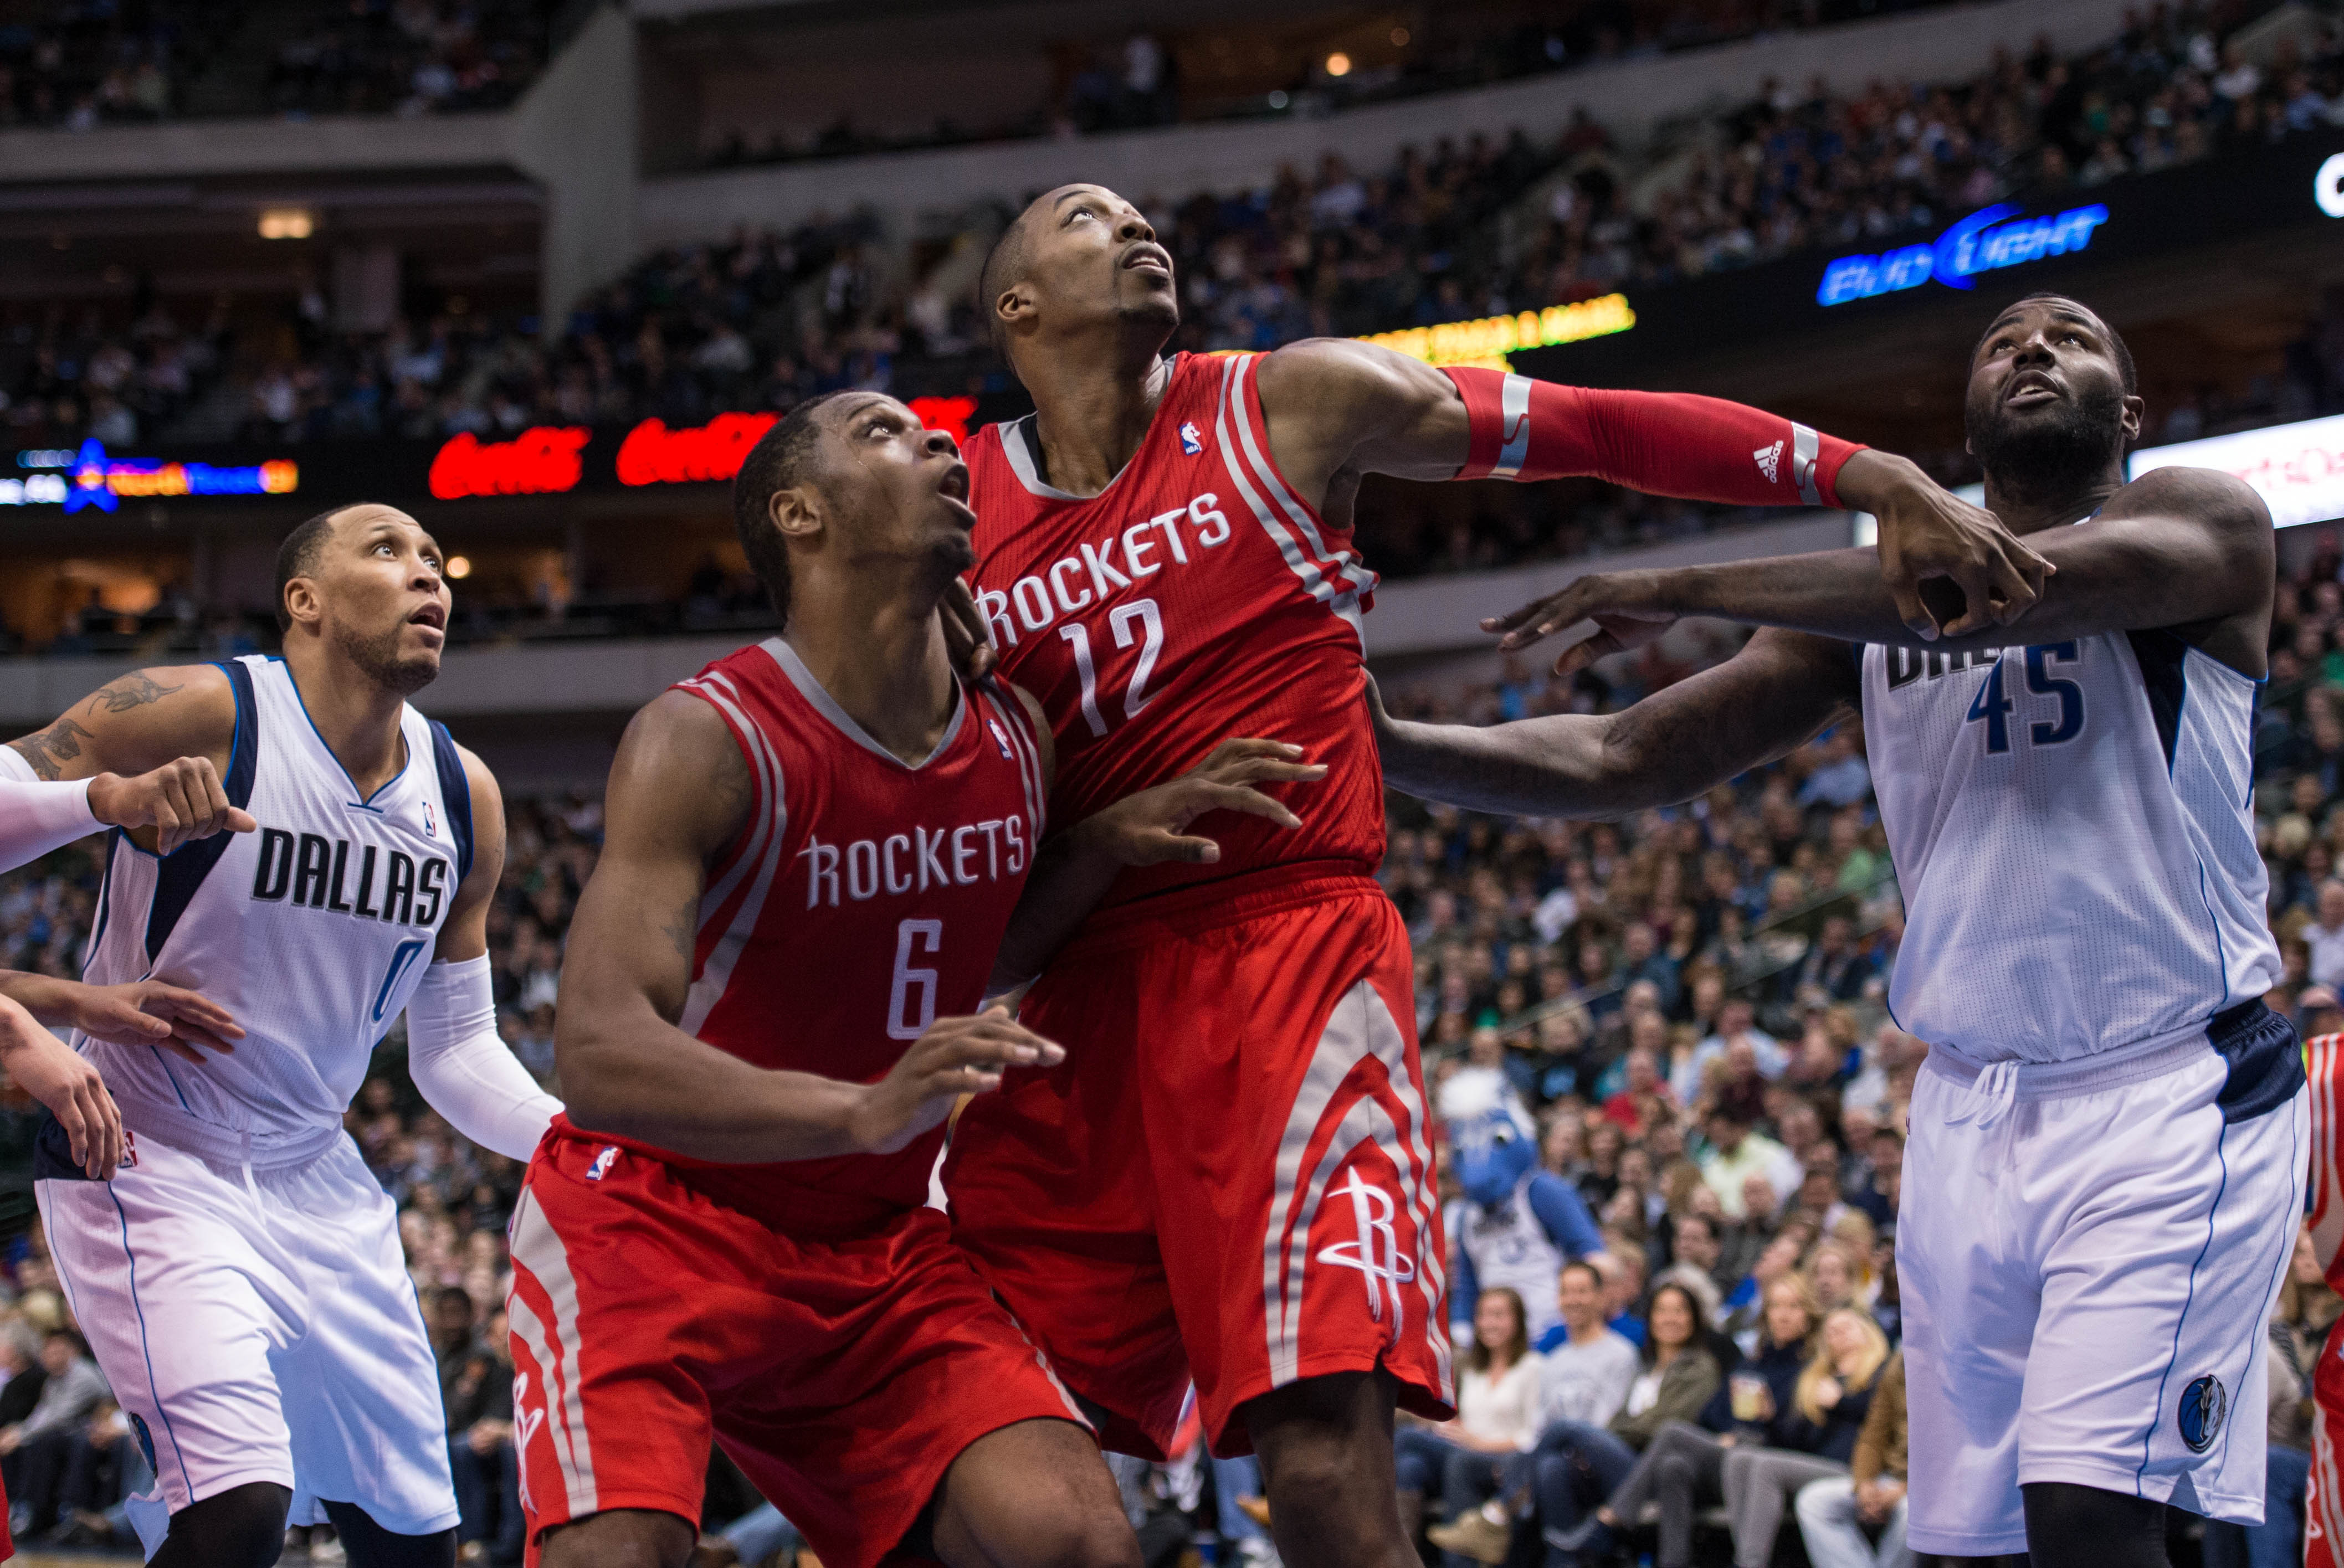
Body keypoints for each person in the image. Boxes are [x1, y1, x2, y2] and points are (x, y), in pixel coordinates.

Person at [943, 181, 2012, 1568]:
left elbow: (1599, 424)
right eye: (1089, 218)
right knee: (997, 1472)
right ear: (1015, 306)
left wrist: (1872, 477)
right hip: (1067, 1002)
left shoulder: (1289, 404)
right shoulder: (948, 509)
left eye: (1144, 214)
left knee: (1322, 1464)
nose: (1139, 227)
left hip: (1286, 972)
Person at [1372, 291, 2311, 1567]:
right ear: (1964, 423)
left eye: (2073, 338)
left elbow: (1992, 591)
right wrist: (1386, 751)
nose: (2035, 350)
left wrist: (1684, 580)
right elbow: (1622, 752)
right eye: (2004, 344)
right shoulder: (1864, 614)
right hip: (1967, 1110)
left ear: (2129, 413)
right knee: (1964, 1545)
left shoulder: (2201, 523)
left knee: (2091, 1520)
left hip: (2167, 1089)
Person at [516, 392, 1315, 1568]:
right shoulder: (707, 735)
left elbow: (963, 954)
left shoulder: (1013, 736)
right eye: (884, 432)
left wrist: (1097, 844)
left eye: (937, 433)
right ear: (799, 512)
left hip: (877, 1247)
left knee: (1080, 1540)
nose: (943, 442)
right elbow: (595, 1054)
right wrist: (860, 1106)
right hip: (655, 1220)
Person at [17, 502, 563, 1567]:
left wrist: (574, 1137)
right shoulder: (202, 709)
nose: (429, 578)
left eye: (434, 562)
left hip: (319, 1172)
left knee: (416, 1545)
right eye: (388, 552)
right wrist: (101, 797)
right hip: (145, 1148)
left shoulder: (465, 797)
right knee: (240, 1508)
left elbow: (453, 1054)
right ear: (303, 601)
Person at [1715, 1307, 1892, 1568]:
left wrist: (1841, 1402)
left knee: (1766, 1467)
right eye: (1831, 1331)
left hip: (1857, 1469)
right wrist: (1770, 1417)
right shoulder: (1815, 1378)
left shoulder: (1883, 1371)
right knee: (1740, 1458)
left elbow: (1886, 1420)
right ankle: (1746, 1555)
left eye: (1847, 1327)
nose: (1839, 1334)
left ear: (1869, 1332)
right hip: (1816, 1464)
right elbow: (1796, 1442)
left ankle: (1749, 1563)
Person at [1396, 1287, 1541, 1564]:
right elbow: (1465, 1420)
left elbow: (1531, 1436)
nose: (1488, 1323)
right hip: (1463, 1450)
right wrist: (1451, 1428)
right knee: (1410, 1465)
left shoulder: (1532, 1367)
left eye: (1498, 1315)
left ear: (1518, 1321)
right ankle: (1407, 1558)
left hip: (1505, 1459)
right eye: (1483, 1316)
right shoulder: (1473, 1370)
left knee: (1409, 1439)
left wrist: (1476, 1442)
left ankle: (1390, 1552)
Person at [1795, 1352, 1915, 1568]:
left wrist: (1905, 1489)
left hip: (1929, 1489)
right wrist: (1865, 1484)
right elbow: (1872, 1437)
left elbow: (1952, 1454)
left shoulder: (1956, 1364)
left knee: (1912, 1512)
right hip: (1889, 1478)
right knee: (1813, 1501)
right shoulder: (1898, 1365)